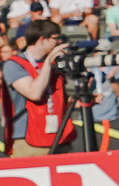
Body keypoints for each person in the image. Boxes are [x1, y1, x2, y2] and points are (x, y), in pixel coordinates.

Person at [3, 19, 70, 155]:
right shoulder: (14, 65)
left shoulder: (56, 63)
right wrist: (49, 60)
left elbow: (58, 98)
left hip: (58, 136)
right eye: (55, 39)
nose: (59, 43)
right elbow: (34, 93)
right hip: (28, 140)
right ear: (41, 39)